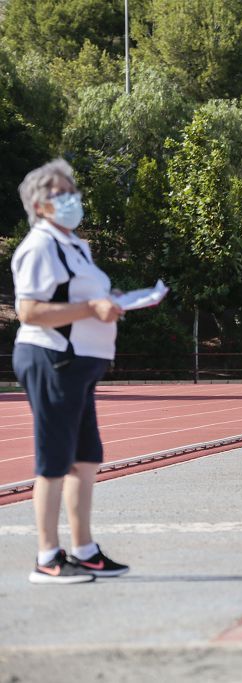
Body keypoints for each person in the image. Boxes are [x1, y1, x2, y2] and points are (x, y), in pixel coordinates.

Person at [12, 159, 129, 584]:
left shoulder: (74, 244)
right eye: (62, 194)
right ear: (41, 205)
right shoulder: (39, 246)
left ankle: (84, 551)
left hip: (78, 363)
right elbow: (29, 310)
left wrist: (111, 300)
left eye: (72, 191)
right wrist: (91, 307)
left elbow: (83, 297)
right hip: (51, 358)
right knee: (55, 460)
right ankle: (47, 556)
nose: (72, 199)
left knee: (85, 458)